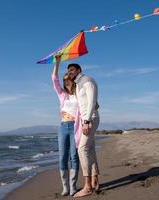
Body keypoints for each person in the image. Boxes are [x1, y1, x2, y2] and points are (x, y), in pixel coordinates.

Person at [67, 63, 100, 198]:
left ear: (79, 70)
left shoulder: (87, 81)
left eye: (72, 70)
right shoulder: (79, 84)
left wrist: (86, 121)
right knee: (90, 149)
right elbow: (93, 103)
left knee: (82, 149)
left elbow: (92, 102)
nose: (70, 72)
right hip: (86, 120)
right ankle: (95, 181)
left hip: (90, 119)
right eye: (68, 71)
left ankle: (87, 187)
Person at [51, 55, 81, 196]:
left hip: (76, 128)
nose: (66, 80)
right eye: (64, 80)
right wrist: (57, 63)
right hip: (63, 127)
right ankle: (65, 187)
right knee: (62, 157)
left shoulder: (78, 94)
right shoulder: (62, 95)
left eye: (68, 78)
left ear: (72, 80)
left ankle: (73, 185)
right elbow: (54, 79)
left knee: (74, 157)